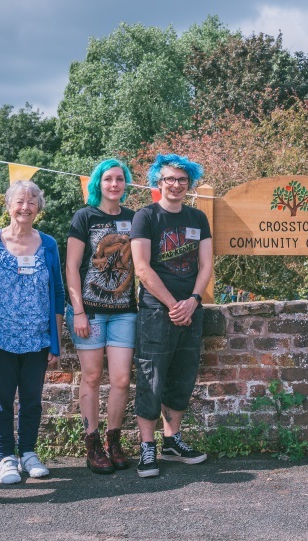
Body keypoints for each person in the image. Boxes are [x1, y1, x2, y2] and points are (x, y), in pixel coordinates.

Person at [0, 181, 64, 484]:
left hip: (37, 339)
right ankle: (6, 457)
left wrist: (56, 340)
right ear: (8, 205)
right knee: (2, 402)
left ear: (39, 208)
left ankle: (28, 452)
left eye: (32, 202)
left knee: (33, 400)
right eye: (20, 202)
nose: (25, 207)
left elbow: (58, 294)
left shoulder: (48, 244)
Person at [129, 153, 213, 478]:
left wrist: (192, 300)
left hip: (191, 309)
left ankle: (172, 440)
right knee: (152, 376)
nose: (175, 185)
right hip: (155, 310)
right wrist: (171, 304)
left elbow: (205, 265)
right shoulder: (146, 217)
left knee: (183, 374)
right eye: (169, 179)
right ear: (158, 182)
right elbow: (141, 267)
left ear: (188, 184)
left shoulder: (197, 218)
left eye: (181, 180)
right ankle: (147, 447)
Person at [66, 158, 139, 474]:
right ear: (98, 183)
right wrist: (79, 310)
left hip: (124, 312)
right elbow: (70, 267)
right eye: (108, 179)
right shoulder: (85, 217)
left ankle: (113, 440)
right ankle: (92, 442)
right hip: (90, 313)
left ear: (125, 184)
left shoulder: (134, 218)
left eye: (120, 179)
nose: (114, 184)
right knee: (93, 377)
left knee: (122, 379)